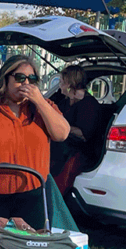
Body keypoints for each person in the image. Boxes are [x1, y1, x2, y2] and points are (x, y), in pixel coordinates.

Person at [0, 54, 69, 243]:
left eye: (32, 79)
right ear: (5, 78)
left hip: (31, 191)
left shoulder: (43, 109)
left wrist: (39, 101)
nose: (26, 83)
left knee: (35, 245)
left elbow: (61, 134)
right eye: (19, 78)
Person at [50, 65, 102, 194]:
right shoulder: (64, 99)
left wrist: (62, 126)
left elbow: (84, 135)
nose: (59, 86)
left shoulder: (89, 105)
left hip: (79, 149)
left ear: (69, 83)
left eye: (61, 82)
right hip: (62, 144)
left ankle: (56, 193)